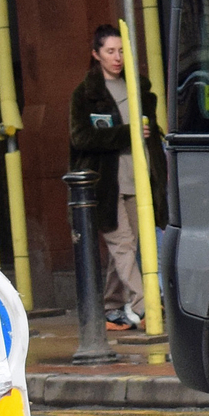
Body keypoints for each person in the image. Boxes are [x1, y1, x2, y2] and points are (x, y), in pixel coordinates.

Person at [68, 24, 162, 330]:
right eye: (110, 51)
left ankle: (110, 309)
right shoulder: (85, 94)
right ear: (96, 54)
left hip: (138, 178)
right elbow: (81, 138)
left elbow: (150, 134)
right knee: (122, 245)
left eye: (122, 51)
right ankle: (145, 305)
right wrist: (127, 133)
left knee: (128, 246)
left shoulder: (139, 89)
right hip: (104, 183)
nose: (117, 57)